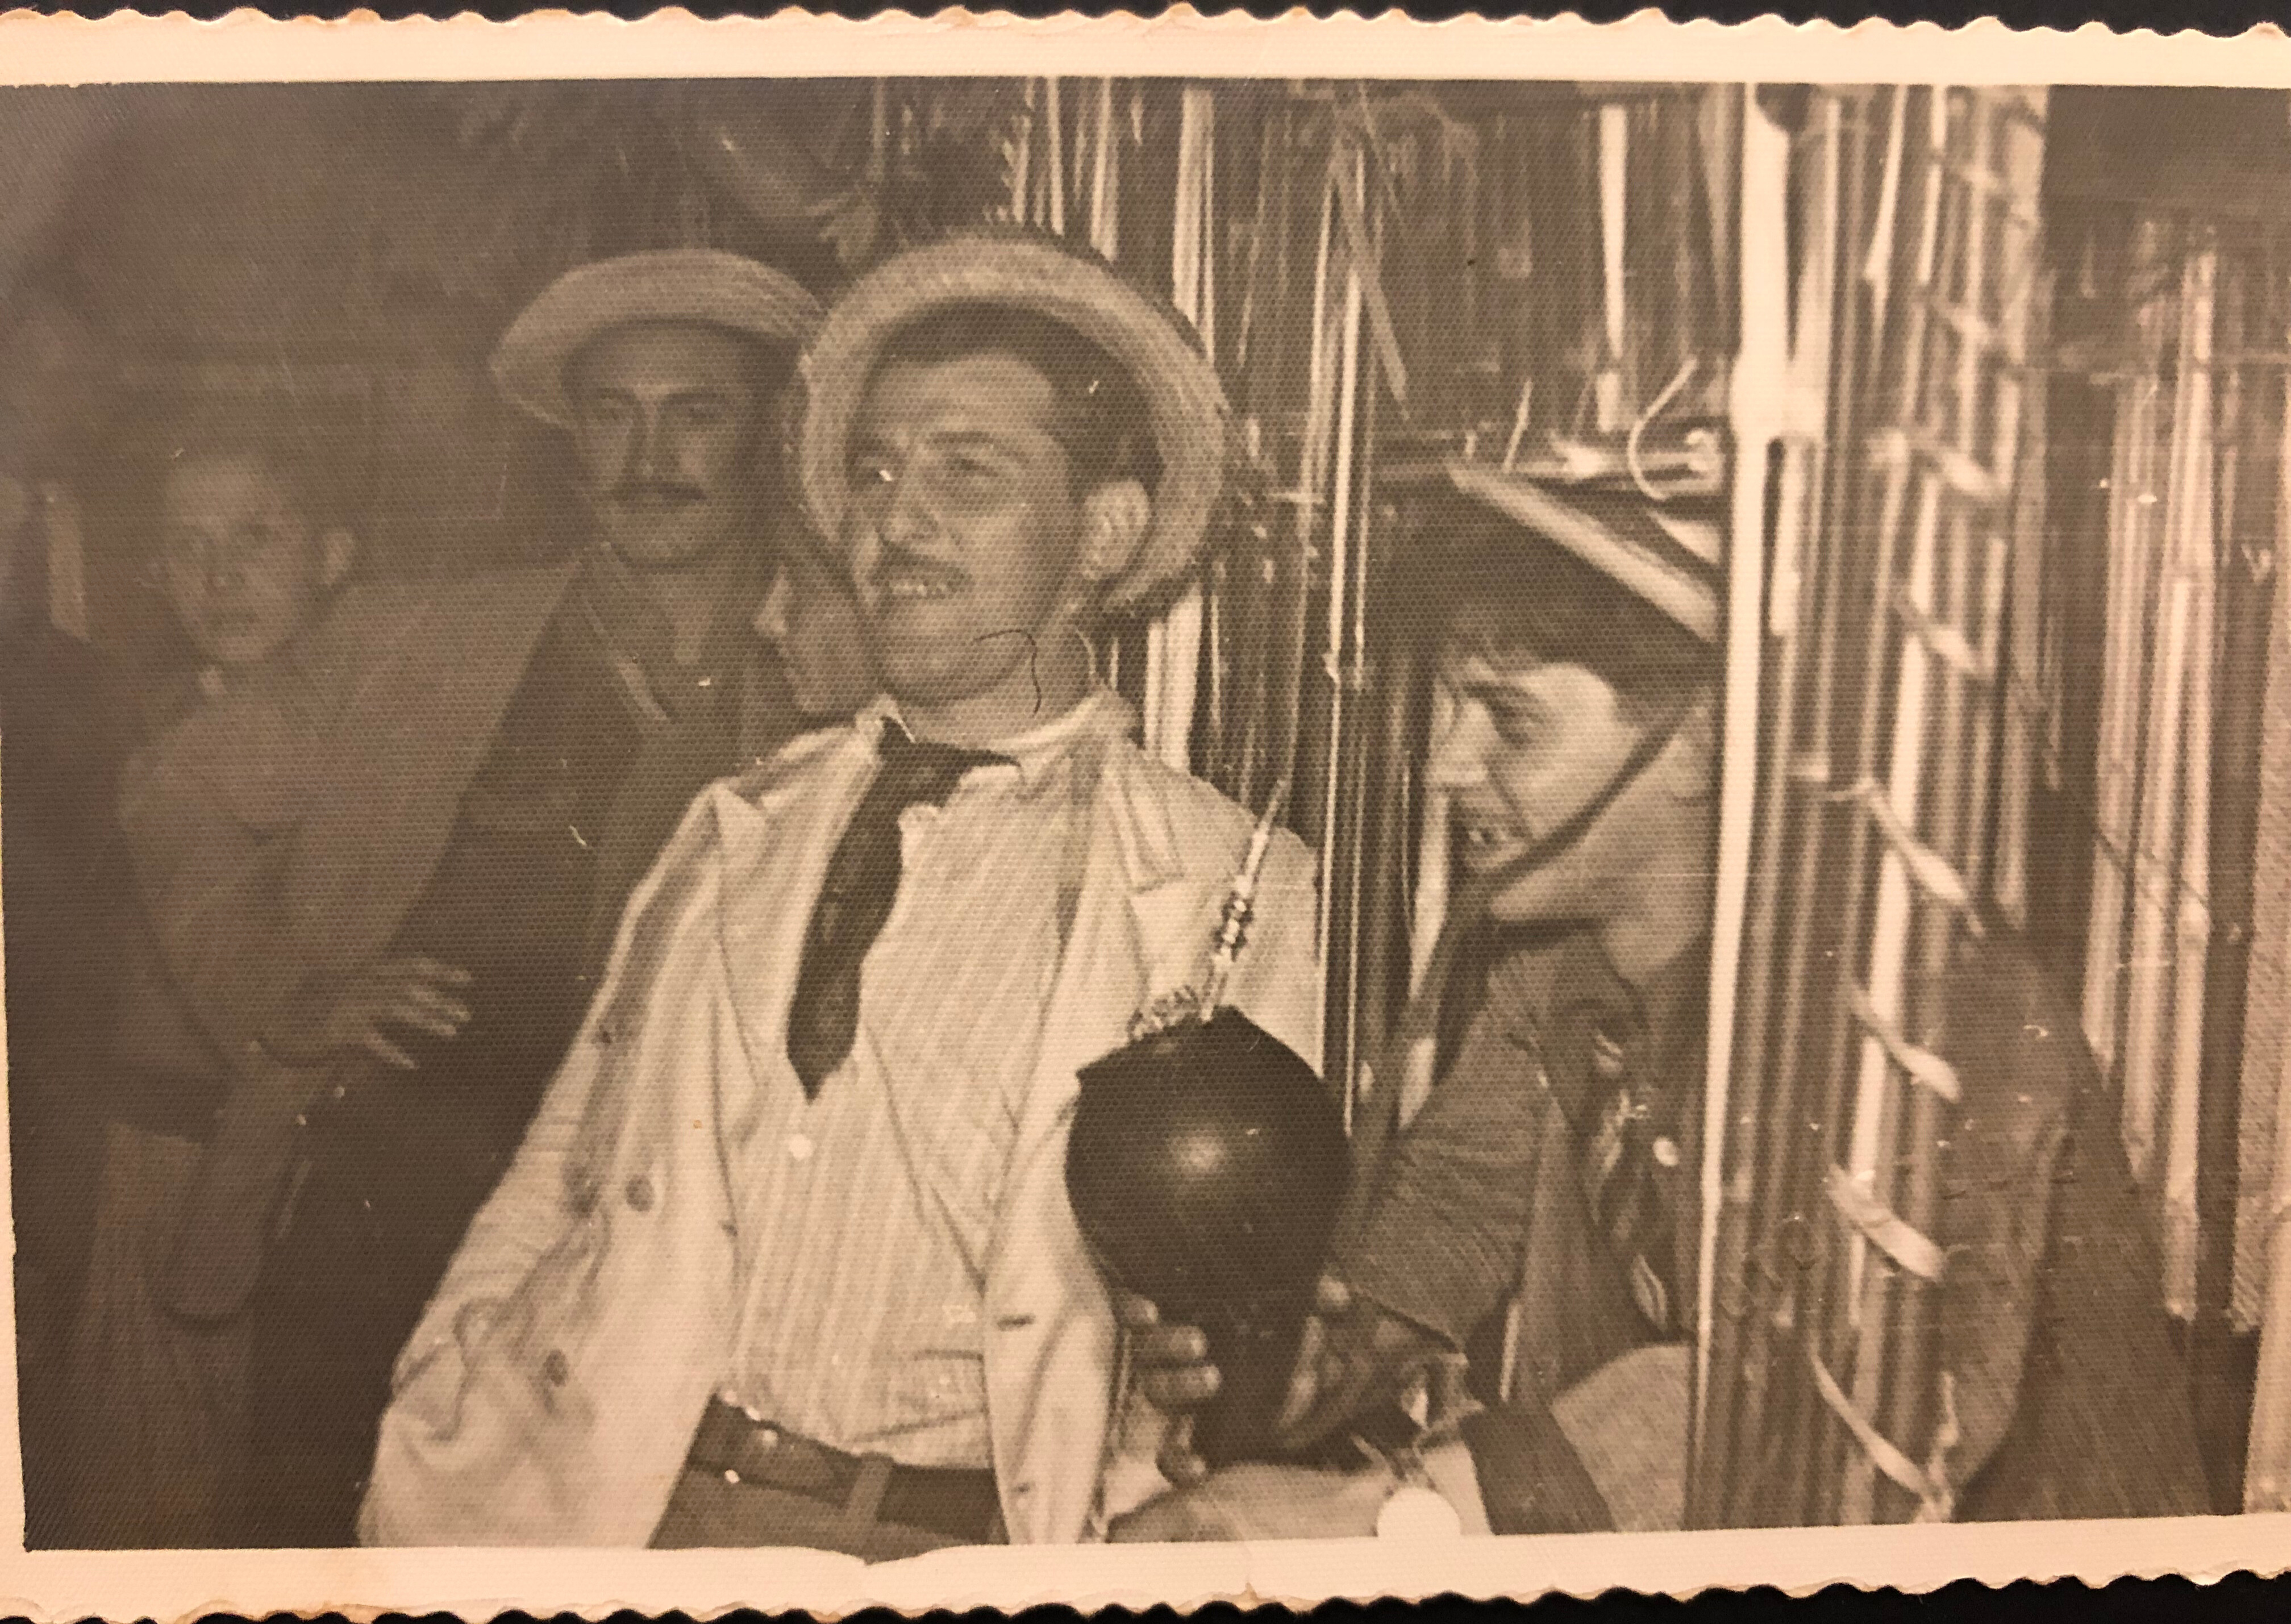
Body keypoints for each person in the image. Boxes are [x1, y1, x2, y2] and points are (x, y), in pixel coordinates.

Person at [359, 231, 1322, 1555]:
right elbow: (565, 1170)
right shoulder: (737, 827)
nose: (896, 520)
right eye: (874, 472)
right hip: (613, 1518)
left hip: (938, 1547)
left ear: (1104, 530)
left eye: (966, 472)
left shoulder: (1218, 885)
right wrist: (438, 1399)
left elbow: (1207, 1333)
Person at [1116, 459, 2213, 1538]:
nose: (1444, 765)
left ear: (1698, 745)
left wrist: (1385, 1507)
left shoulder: (1918, 1007)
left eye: (1511, 721)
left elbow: (1808, 1385)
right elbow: (1460, 1194)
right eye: (1451, 710)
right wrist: (1338, 1345)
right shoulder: (1557, 972)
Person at [245, 249, 823, 1546]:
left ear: (773, 439)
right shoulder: (424, 638)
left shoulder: (840, 663)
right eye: (613, 413)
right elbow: (177, 803)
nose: (649, 456)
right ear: (572, 443)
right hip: (398, 1216)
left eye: (697, 413)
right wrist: (292, 997)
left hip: (689, 1255)